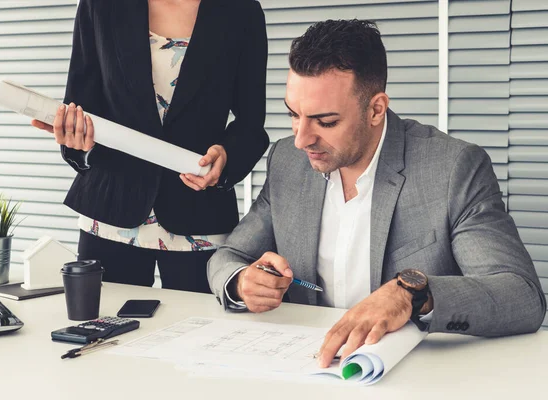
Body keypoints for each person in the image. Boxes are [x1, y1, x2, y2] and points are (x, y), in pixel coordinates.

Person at [207, 19, 546, 368]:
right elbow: (229, 255)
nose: (301, 139)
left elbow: (521, 295)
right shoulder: (287, 161)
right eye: (294, 115)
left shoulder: (452, 168)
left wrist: (412, 296)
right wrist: (241, 282)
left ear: (375, 109)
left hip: (417, 374)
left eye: (325, 122)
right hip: (308, 368)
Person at [31, 0, 269, 293]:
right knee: (104, 333)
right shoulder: (100, 5)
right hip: (111, 209)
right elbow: (81, 105)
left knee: (200, 334)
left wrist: (226, 158)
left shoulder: (240, 11)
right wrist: (78, 142)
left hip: (198, 210)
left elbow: (251, 126)